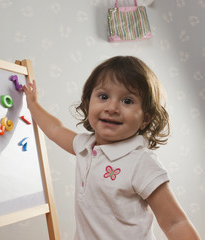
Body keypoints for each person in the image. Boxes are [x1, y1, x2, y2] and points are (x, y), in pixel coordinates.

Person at [23, 56, 200, 240]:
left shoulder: (141, 162)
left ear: (145, 119)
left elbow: (175, 223)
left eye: (128, 101)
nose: (112, 107)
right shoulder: (84, 146)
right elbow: (55, 129)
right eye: (103, 96)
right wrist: (33, 104)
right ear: (88, 102)